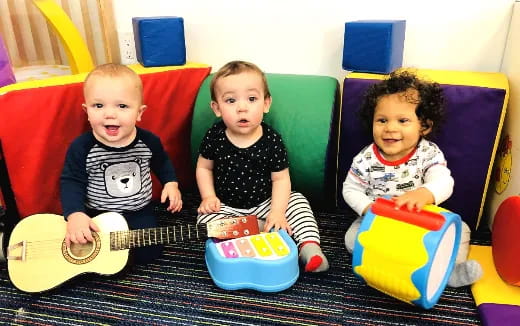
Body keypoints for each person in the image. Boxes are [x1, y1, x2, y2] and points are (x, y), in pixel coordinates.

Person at [342, 70, 482, 287]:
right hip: (381, 220)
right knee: (352, 239)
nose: (390, 128)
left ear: (423, 126)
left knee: (461, 229)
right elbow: (350, 189)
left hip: (421, 218)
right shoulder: (365, 158)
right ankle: (392, 263)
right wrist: (368, 208)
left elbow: (444, 181)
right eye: (382, 120)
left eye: (403, 120)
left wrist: (424, 193)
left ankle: (449, 271)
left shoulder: (428, 153)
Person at [196, 60, 329, 272]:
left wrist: (277, 211)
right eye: (230, 100)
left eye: (251, 99)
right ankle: (253, 234)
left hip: (266, 203)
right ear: (217, 108)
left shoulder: (272, 141)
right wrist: (208, 197)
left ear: (266, 103)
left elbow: (281, 179)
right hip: (228, 208)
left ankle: (309, 249)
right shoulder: (215, 136)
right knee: (205, 223)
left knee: (297, 201)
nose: (242, 108)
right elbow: (204, 168)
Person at [60, 63, 182, 263]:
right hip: (97, 213)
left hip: (138, 210)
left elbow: (162, 162)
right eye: (98, 106)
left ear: (139, 113)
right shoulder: (82, 147)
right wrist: (75, 214)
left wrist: (171, 183)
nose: (110, 114)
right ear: (87, 111)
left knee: (151, 249)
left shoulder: (148, 141)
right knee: (84, 245)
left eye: (122, 106)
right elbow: (71, 181)